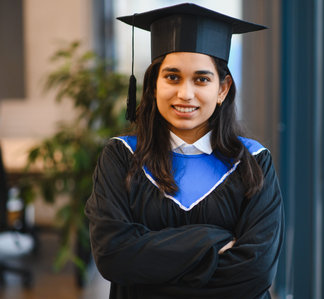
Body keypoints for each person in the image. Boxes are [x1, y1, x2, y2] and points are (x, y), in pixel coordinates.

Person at [85, 3, 284, 299]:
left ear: (223, 89)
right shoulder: (121, 157)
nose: (185, 94)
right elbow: (113, 255)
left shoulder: (253, 163)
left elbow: (255, 272)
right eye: (172, 77)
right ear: (153, 85)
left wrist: (149, 272)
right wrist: (211, 240)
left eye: (201, 79)